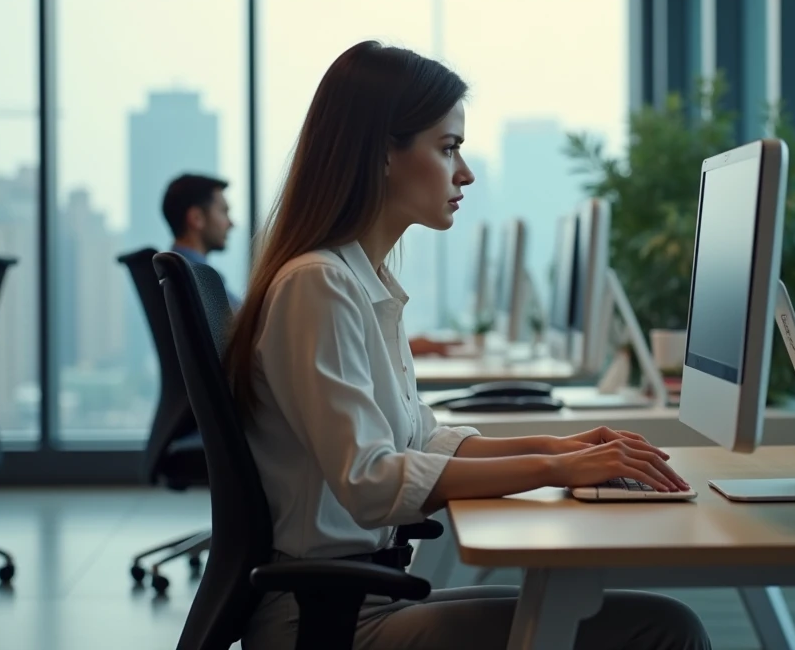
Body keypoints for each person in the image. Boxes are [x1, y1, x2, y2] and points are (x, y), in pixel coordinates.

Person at [226, 41, 711, 650]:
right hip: (325, 622)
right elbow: (371, 480)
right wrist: (558, 468)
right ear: (382, 153)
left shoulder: (360, 280)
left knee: (609, 612)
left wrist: (558, 445)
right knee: (663, 629)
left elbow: (419, 438)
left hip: (354, 597)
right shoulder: (318, 285)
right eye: (448, 147)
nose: (466, 172)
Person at [162, 173, 242, 310]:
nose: (231, 223)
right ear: (196, 218)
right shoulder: (199, 278)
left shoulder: (173, 271)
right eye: (224, 211)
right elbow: (247, 322)